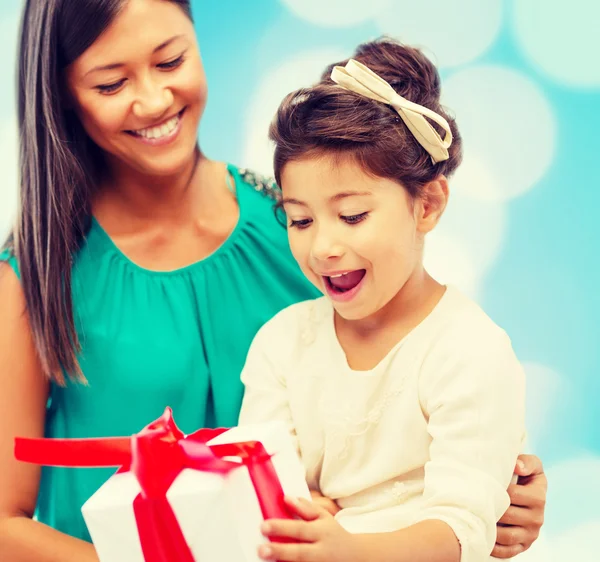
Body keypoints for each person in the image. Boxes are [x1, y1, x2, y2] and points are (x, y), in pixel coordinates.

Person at [0, 1, 545, 561]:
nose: (155, 99)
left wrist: (503, 479)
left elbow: (404, 388)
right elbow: (2, 522)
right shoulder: (34, 278)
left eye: (170, 61)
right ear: (62, 93)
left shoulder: (292, 222)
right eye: (112, 83)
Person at [237, 39, 538, 562]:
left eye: (352, 215)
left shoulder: (468, 350)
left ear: (427, 204)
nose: (323, 247)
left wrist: (347, 550)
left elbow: (462, 527)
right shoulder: (282, 343)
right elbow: (259, 484)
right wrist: (299, 507)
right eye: (300, 220)